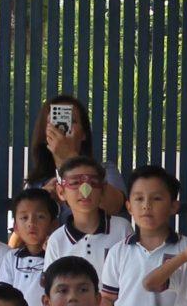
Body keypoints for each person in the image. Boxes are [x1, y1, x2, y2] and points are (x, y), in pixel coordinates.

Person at [97, 165, 187, 306]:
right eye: (139, 198)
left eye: (156, 198)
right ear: (129, 206)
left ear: (173, 206)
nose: (146, 205)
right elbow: (108, 298)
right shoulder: (119, 251)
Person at [27, 91, 127, 220]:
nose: (61, 129)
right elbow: (23, 230)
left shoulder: (105, 170)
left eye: (71, 121)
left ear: (84, 133)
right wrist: (41, 200)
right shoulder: (36, 184)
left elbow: (116, 206)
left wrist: (70, 158)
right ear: (44, 134)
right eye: (54, 123)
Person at [45, 157, 130, 269]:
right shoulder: (57, 240)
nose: (85, 190)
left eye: (93, 182)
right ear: (61, 192)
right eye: (75, 182)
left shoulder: (122, 229)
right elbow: (53, 284)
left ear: (103, 190)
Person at [1, 188, 57, 306]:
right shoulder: (11, 258)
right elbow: (3, 296)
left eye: (40, 217)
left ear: (53, 225)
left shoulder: (57, 258)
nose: (31, 223)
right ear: (15, 227)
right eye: (24, 217)